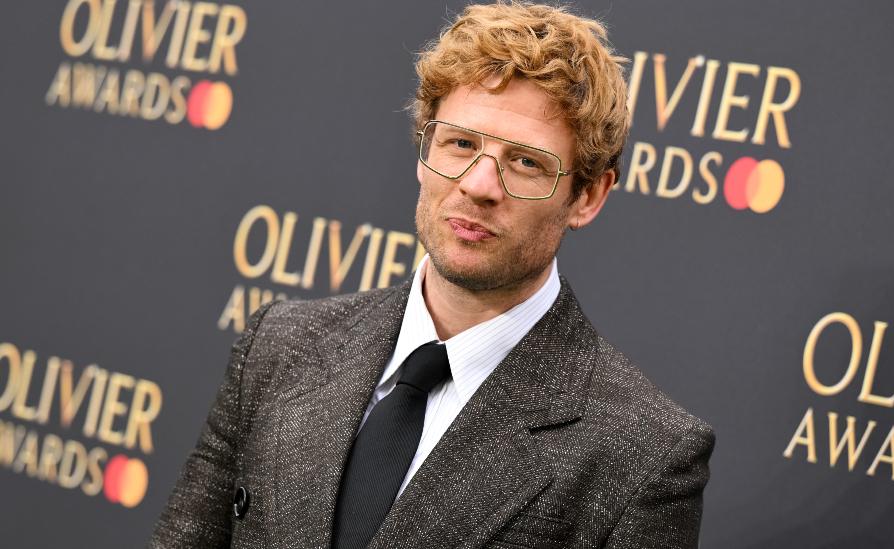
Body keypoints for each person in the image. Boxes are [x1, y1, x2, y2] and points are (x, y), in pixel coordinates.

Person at [148, 2, 715, 548]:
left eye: (525, 162)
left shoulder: (645, 454)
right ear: (425, 150)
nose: (478, 185)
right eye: (461, 144)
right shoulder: (280, 345)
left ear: (587, 195)